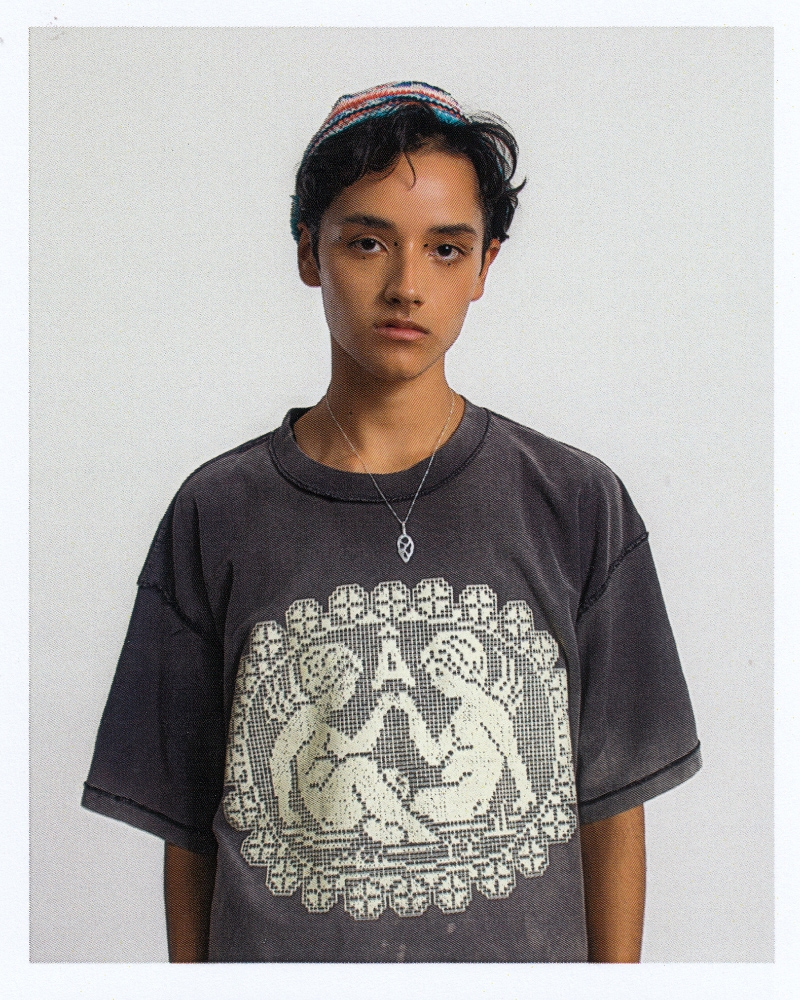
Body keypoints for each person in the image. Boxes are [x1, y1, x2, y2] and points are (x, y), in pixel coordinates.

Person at [82, 81, 701, 963]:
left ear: (485, 266)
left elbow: (611, 810)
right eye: (367, 242)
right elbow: (188, 828)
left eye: (446, 249)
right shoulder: (217, 512)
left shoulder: (575, 504)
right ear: (309, 251)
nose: (407, 285)